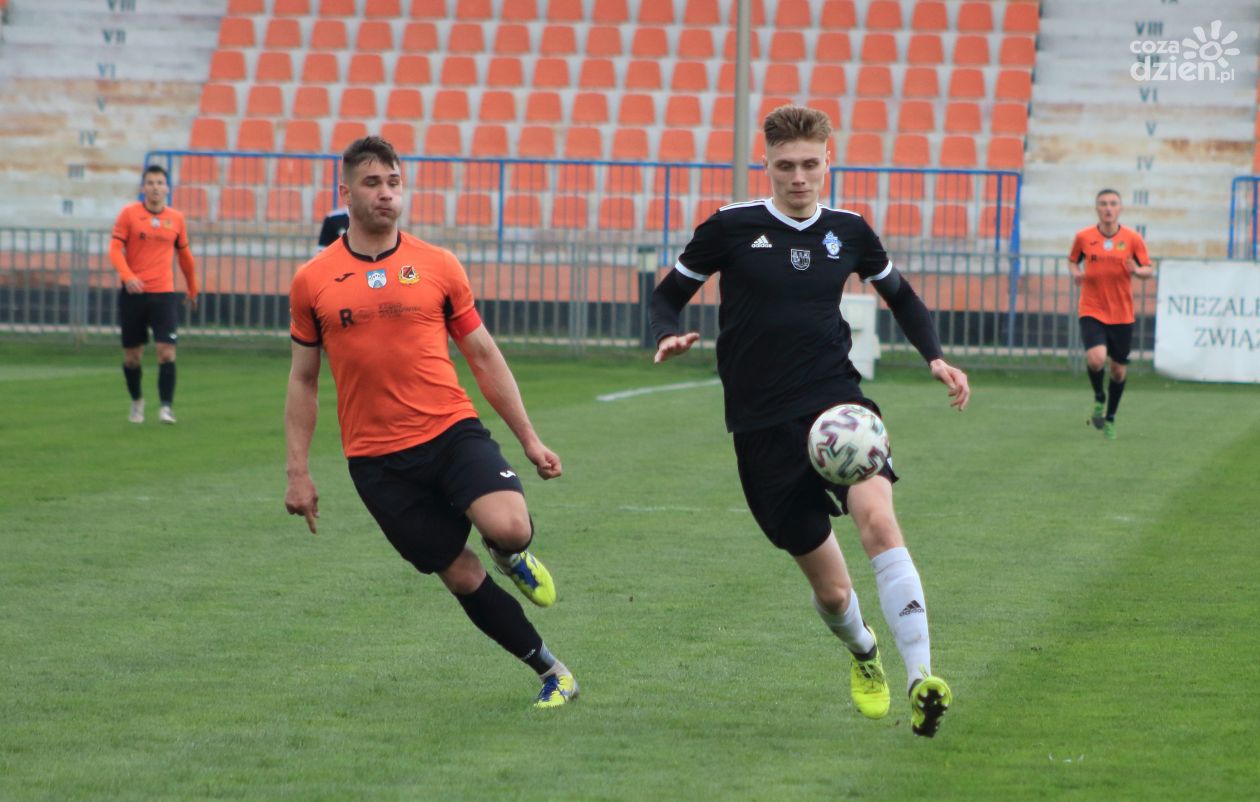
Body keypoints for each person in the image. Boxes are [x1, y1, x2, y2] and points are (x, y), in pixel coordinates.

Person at [650, 105, 969, 737]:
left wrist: (935, 357)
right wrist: (666, 333)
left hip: (838, 407)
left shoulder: (849, 231)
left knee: (879, 521)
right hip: (760, 425)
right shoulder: (731, 227)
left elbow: (901, 295)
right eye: (785, 166)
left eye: (809, 165)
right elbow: (667, 295)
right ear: (766, 165)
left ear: (829, 160)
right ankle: (864, 652)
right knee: (832, 593)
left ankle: (922, 678)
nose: (798, 177)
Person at [284, 136, 578, 709]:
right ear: (345, 193)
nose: (386, 194)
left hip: (450, 432)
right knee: (460, 575)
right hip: (377, 461)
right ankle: (554, 672)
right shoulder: (313, 280)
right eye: (372, 183)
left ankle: (510, 554)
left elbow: (483, 355)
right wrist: (298, 472)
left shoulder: (438, 265)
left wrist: (530, 439)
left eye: (394, 182)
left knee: (511, 527)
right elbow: (303, 380)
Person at [108, 164, 197, 424]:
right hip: (133, 295)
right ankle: (137, 400)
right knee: (132, 357)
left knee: (166, 351)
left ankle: (166, 408)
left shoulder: (176, 218)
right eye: (150, 183)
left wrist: (192, 287)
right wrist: (128, 276)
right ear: (143, 188)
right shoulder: (129, 214)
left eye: (160, 183)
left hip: (164, 294)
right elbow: (114, 249)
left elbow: (185, 256)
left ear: (167, 188)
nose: (155, 187)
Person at [1068, 189, 1154, 439]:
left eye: (1113, 204)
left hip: (1122, 314)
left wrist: (1137, 270)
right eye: (1103, 204)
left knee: (1118, 371)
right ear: (1097, 208)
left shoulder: (1133, 238)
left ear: (1120, 209)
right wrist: (1076, 272)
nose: (1108, 208)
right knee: (1096, 359)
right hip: (1092, 308)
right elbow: (1073, 260)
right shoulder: (1083, 237)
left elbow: (1148, 269)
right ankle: (1099, 396)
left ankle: (1110, 418)